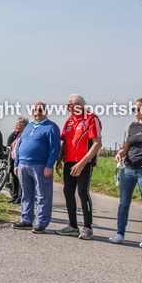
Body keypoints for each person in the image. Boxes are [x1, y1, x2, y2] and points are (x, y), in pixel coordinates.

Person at [110, 99, 142, 247]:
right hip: (128, 169)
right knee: (124, 203)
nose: (135, 111)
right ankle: (120, 234)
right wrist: (120, 154)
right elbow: (125, 147)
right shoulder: (130, 126)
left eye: (138, 108)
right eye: (134, 109)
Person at [56, 94, 102, 240]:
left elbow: (97, 143)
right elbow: (64, 142)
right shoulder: (69, 121)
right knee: (68, 192)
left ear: (78, 106)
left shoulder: (91, 119)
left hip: (84, 163)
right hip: (69, 162)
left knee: (82, 192)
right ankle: (73, 226)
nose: (67, 108)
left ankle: (88, 228)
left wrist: (82, 163)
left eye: (69, 105)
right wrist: (59, 161)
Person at [13, 102, 60, 233]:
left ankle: (41, 223)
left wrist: (49, 166)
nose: (37, 112)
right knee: (26, 194)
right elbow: (19, 146)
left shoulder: (51, 127)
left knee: (43, 195)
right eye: (35, 110)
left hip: (40, 165)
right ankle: (26, 220)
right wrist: (16, 164)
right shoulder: (28, 126)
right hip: (23, 165)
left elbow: (55, 148)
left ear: (45, 111)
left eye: (40, 110)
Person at [5, 116, 27, 204]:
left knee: (20, 179)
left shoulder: (26, 134)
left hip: (21, 160)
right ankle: (14, 197)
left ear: (23, 125)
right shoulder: (17, 135)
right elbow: (8, 142)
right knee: (14, 178)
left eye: (17, 124)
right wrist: (13, 133)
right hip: (13, 160)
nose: (16, 126)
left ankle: (20, 197)